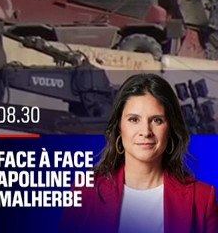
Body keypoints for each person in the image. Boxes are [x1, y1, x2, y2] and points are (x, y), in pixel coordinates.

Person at [61, 73, 218, 233]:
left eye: (157, 120)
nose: (145, 131)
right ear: (119, 127)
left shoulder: (202, 199)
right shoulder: (86, 192)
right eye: (134, 120)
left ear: (170, 129)